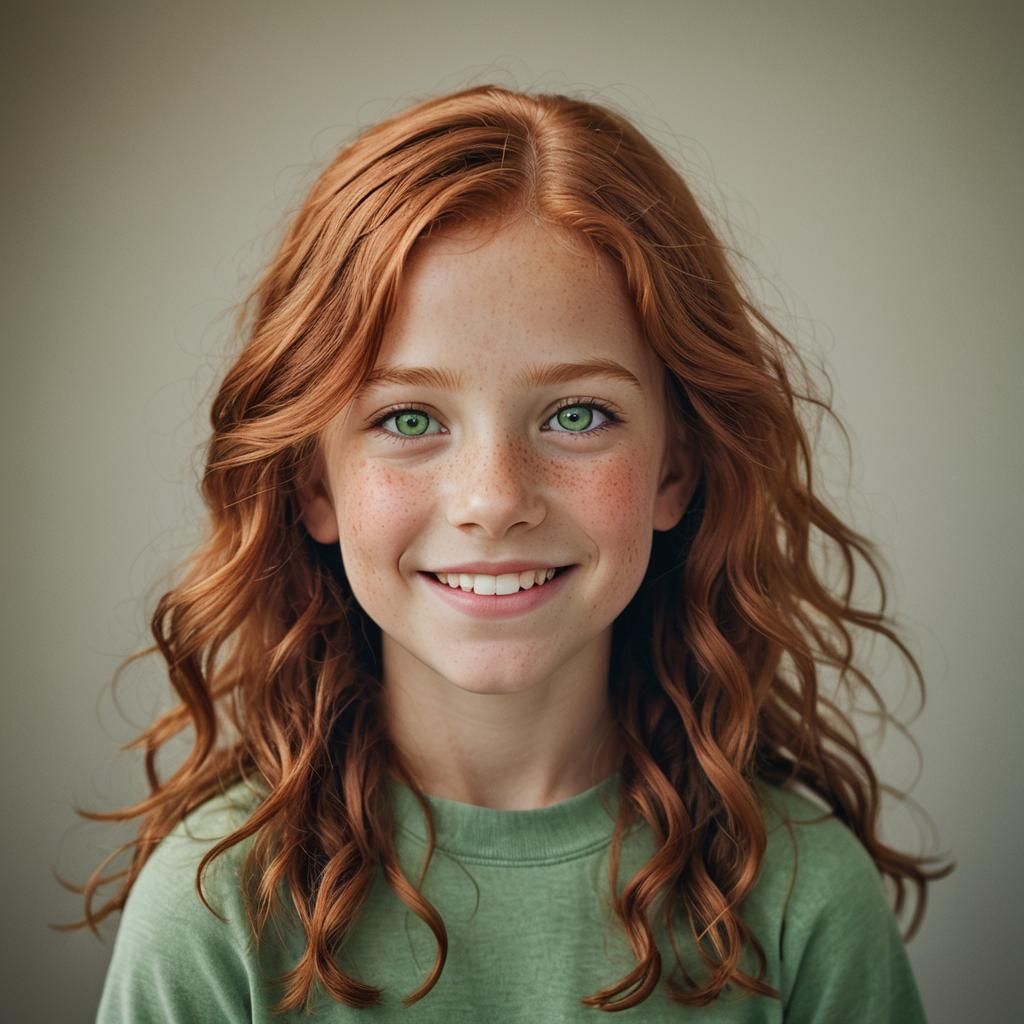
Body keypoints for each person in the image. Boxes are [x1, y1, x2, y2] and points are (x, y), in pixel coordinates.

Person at [67, 84, 953, 1021]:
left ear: (676, 470)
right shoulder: (215, 918)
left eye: (578, 415)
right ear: (313, 486)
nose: (493, 499)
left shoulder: (804, 900)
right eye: (409, 418)